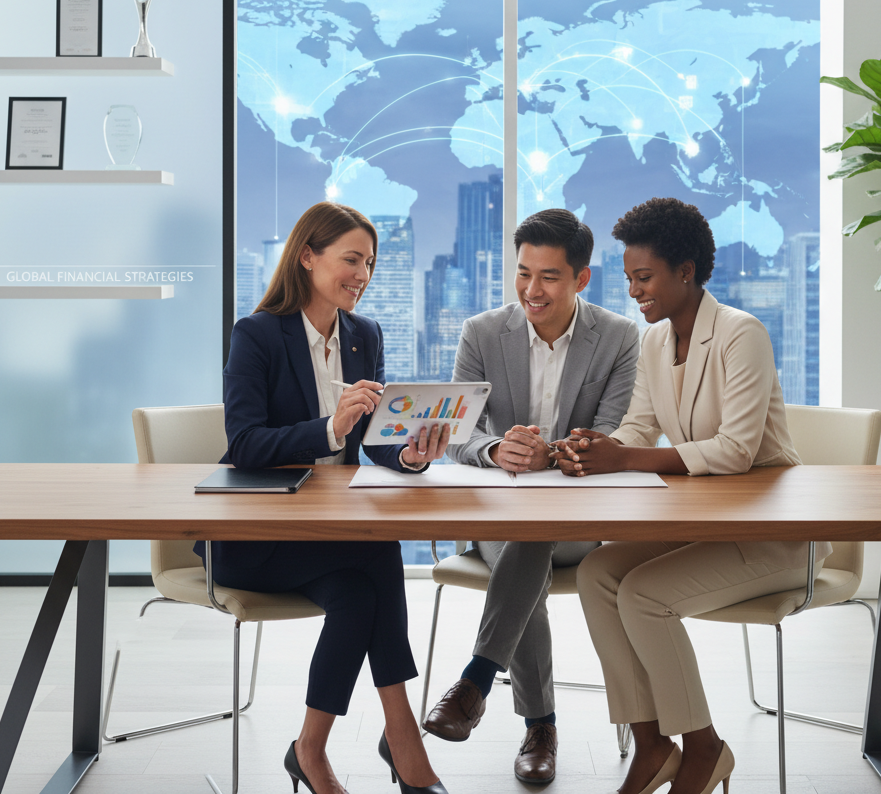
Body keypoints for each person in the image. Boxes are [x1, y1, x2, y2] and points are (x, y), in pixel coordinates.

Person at [556, 197, 832, 794]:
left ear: (686, 271)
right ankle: (653, 746)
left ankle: (704, 749)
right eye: (629, 278)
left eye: (644, 277)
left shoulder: (741, 334)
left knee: (644, 596)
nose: (633, 291)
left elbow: (735, 450)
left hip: (776, 536)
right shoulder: (655, 342)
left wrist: (625, 459)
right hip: (711, 526)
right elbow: (638, 428)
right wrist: (593, 448)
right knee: (597, 574)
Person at [197, 202, 450, 794]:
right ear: (308, 257)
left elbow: (374, 440)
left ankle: (309, 750)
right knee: (379, 550)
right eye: (352, 260)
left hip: (326, 538)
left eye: (370, 264)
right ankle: (403, 737)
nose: (363, 275)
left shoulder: (364, 334)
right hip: (253, 538)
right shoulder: (257, 334)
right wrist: (329, 429)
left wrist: (412, 453)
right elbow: (245, 443)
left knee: (360, 596)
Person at [422, 208, 640, 784]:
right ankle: (540, 727)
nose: (531, 290)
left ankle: (479, 682)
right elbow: (456, 433)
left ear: (581, 279)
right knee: (526, 540)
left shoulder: (618, 337)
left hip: (581, 526)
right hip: (501, 520)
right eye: (523, 273)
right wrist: (497, 450)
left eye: (548, 276)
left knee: (534, 537)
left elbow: (615, 434)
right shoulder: (482, 332)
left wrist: (556, 454)